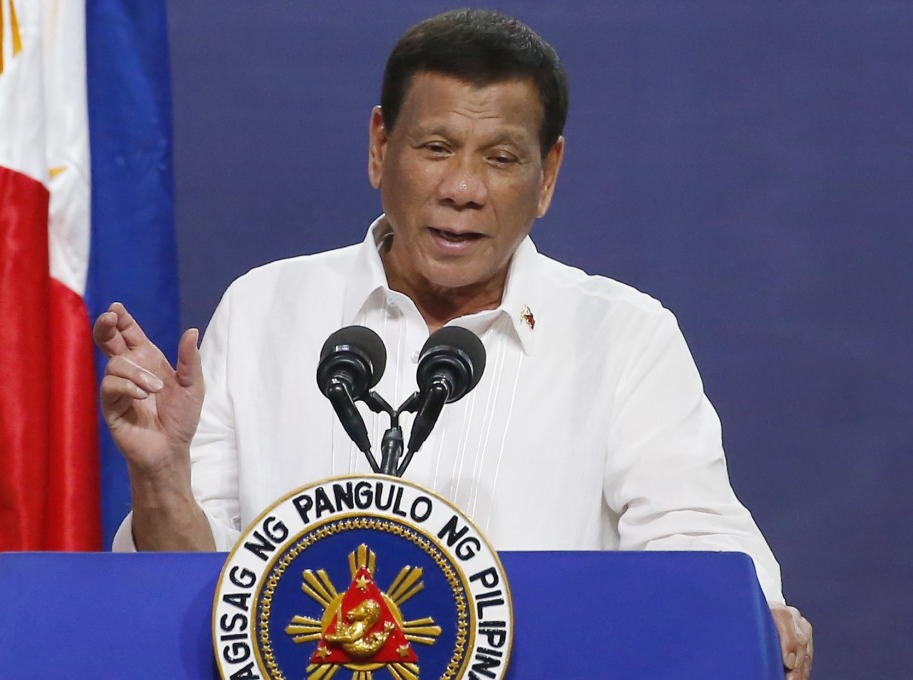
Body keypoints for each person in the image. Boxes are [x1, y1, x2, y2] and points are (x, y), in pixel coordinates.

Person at [93, 9, 812, 678]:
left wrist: (750, 616)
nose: (463, 188)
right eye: (436, 148)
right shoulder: (265, 310)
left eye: (501, 158)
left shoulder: (622, 335)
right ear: (380, 147)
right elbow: (192, 591)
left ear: (548, 174)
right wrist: (161, 476)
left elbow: (693, 539)